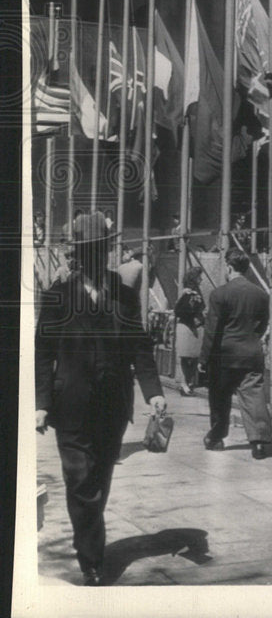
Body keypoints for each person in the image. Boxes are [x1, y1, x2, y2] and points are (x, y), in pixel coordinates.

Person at [35, 211, 166, 586]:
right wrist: (41, 402)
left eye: (101, 249)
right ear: (78, 253)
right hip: (70, 405)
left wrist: (153, 392)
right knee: (80, 481)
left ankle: (88, 538)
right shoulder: (58, 295)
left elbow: (139, 346)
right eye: (88, 249)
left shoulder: (124, 294)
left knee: (100, 477)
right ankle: (91, 558)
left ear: (107, 251)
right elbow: (44, 351)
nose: (96, 256)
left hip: (113, 404)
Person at [197, 247, 272, 459]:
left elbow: (212, 330)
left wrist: (203, 358)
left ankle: (217, 437)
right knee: (254, 395)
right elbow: (263, 324)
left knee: (219, 398)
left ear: (229, 267)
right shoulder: (261, 294)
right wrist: (252, 338)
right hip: (252, 352)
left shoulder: (219, 294)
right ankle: (258, 441)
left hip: (224, 354)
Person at [174, 266, 206, 396]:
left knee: (194, 356)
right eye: (199, 277)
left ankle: (189, 381)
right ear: (194, 278)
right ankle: (184, 383)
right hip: (187, 326)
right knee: (185, 356)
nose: (201, 279)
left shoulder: (196, 292)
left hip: (195, 326)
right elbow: (180, 310)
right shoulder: (187, 293)